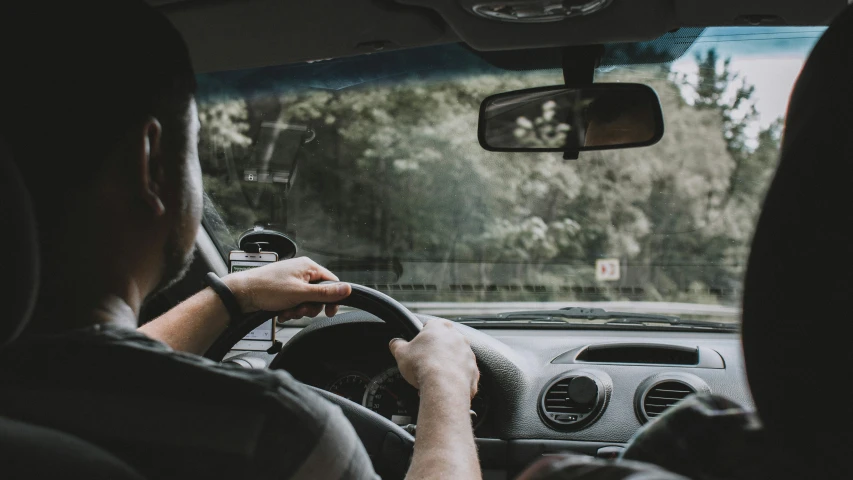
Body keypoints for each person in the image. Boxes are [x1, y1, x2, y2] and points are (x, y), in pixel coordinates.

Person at [0, 2, 479, 479]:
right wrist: (446, 386)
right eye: (194, 148)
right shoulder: (268, 430)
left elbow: (88, 373)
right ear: (150, 164)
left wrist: (234, 296)